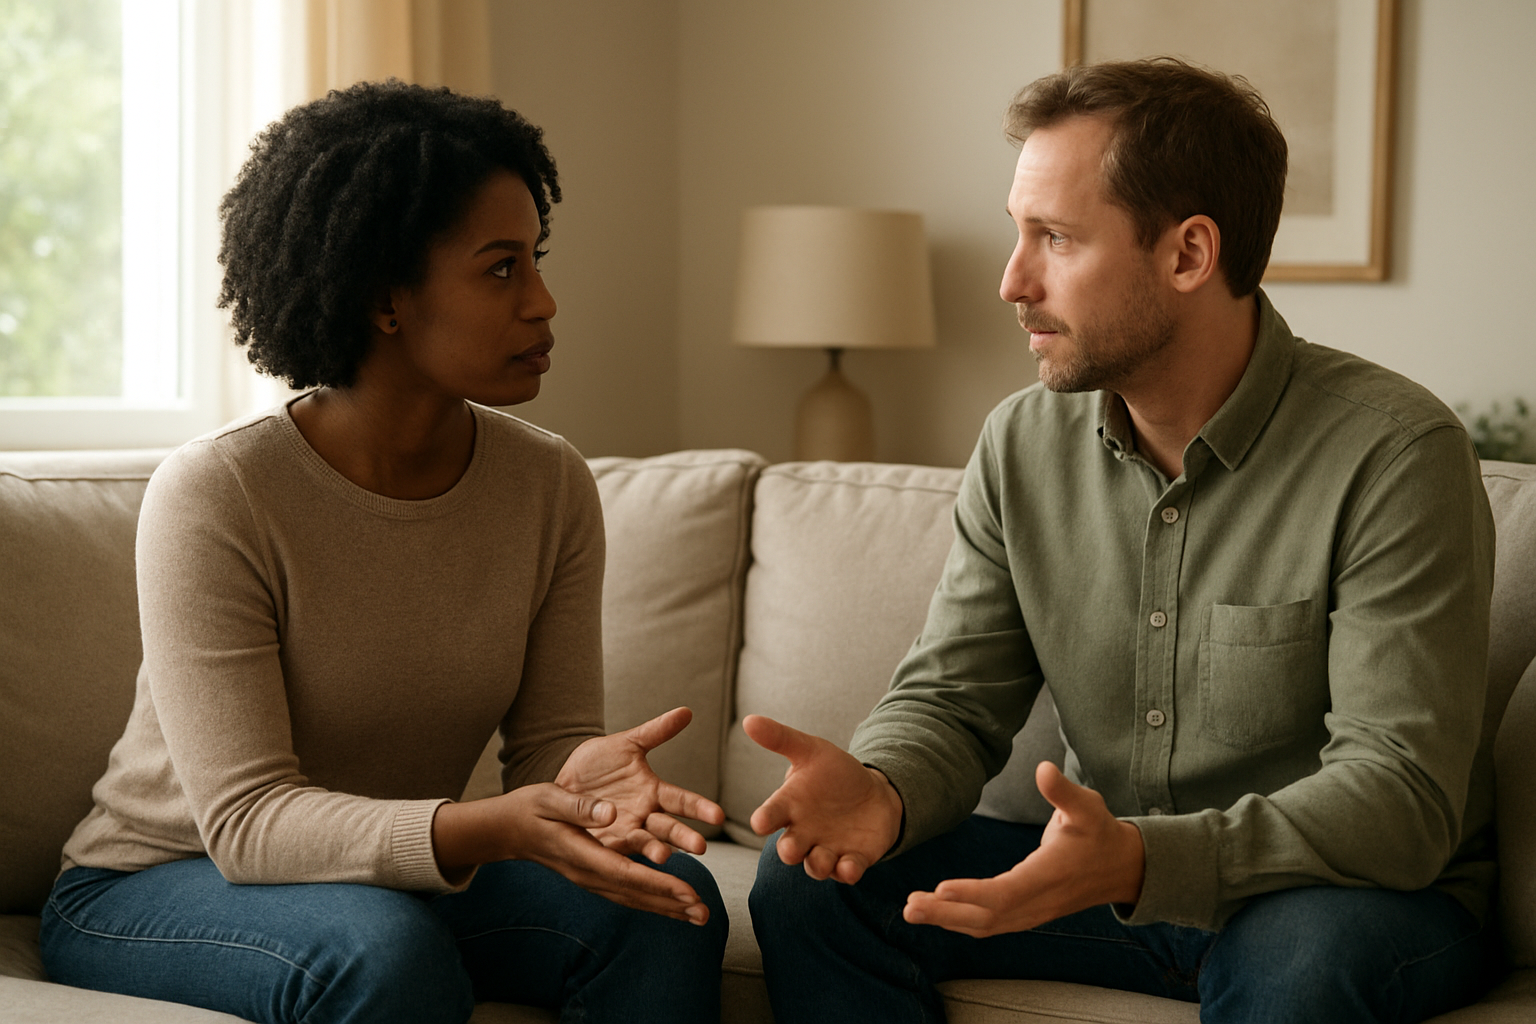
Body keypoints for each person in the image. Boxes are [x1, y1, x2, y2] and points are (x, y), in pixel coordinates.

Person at [745, 58, 1499, 1024]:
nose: (1012, 281)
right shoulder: (1021, 443)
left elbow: (1399, 800)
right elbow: (953, 699)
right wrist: (882, 789)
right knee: (809, 880)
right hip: (1107, 881)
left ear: (1189, 255)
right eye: (1020, 232)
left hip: (1342, 897)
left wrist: (1146, 857)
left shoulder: (1395, 453)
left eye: (1055, 238)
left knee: (1296, 964)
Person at [39, 81, 726, 1024]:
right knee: (383, 951)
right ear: (384, 299)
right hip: (160, 882)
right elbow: (247, 822)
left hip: (391, 877)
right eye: (500, 270)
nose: (543, 302)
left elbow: (547, 750)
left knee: (665, 903)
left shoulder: (549, 482)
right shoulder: (220, 492)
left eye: (535, 260)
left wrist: (588, 790)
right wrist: (481, 828)